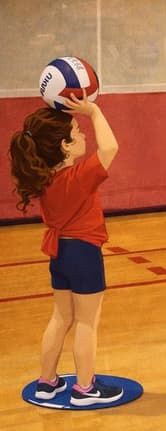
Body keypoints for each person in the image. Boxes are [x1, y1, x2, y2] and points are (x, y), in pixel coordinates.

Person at [9, 92, 123, 406]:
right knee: (87, 322)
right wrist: (94, 111)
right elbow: (110, 147)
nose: (83, 133)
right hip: (83, 253)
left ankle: (47, 381)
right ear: (65, 146)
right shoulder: (78, 177)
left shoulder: (45, 179)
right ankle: (85, 389)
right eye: (77, 132)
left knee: (61, 317)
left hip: (59, 253)